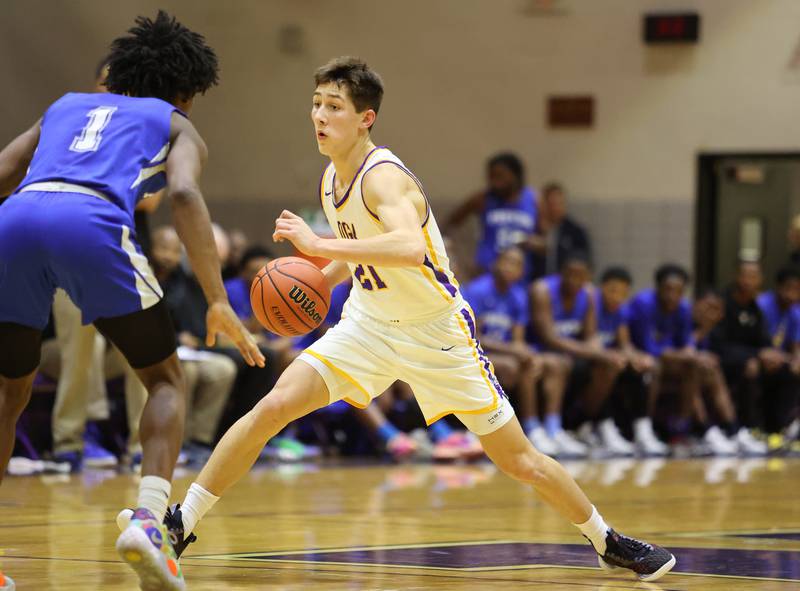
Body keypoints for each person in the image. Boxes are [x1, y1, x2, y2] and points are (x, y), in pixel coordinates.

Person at [155, 57, 675, 582]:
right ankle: (182, 520)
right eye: (316, 104)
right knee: (274, 408)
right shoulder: (331, 177)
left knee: (521, 462)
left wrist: (314, 244)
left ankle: (606, 539)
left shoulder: (384, 177)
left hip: (437, 333)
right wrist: (317, 279)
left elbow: (408, 247)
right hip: (368, 324)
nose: (320, 115)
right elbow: (360, 252)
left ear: (366, 118)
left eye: (334, 106)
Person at [0, 11, 264, 591]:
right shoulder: (175, 123)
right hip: (90, 221)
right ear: (189, 91)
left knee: (9, 392)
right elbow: (186, 194)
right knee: (167, 379)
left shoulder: (64, 105)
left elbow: (3, 171)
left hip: (16, 218)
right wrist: (217, 298)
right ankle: (148, 521)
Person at [628, 265, 739, 455]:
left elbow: (687, 344)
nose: (672, 295)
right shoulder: (643, 303)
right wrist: (691, 355)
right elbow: (650, 349)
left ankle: (682, 431)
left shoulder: (683, 308)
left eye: (678, 291)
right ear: (658, 288)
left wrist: (694, 355)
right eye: (668, 289)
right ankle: (644, 431)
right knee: (657, 366)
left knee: (699, 368)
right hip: (639, 360)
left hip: (670, 363)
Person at [529, 254, 631, 456]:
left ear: (588, 277)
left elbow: (590, 336)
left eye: (581, 277)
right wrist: (599, 353)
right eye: (570, 275)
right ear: (561, 274)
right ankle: (552, 429)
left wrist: (604, 354)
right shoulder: (542, 290)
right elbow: (550, 338)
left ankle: (583, 425)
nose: (574, 281)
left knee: (610, 366)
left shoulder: (590, 294)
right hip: (541, 352)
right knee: (559, 364)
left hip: (572, 354)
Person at [594, 267, 668, 456]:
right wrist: (617, 356)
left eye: (622, 293)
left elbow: (625, 344)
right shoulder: (591, 305)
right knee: (608, 368)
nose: (617, 297)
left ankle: (642, 430)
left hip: (610, 359)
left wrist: (637, 357)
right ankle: (605, 429)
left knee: (640, 369)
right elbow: (590, 344)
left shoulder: (620, 311)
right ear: (601, 288)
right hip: (589, 362)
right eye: (612, 290)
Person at [444, 152, 538, 279]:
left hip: (521, 273)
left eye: (500, 176)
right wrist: (461, 256)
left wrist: (534, 242)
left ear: (515, 175)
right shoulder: (482, 199)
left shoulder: (534, 199)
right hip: (487, 271)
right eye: (491, 176)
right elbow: (450, 224)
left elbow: (548, 239)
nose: (494, 182)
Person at [757, 266, 800, 435]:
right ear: (778, 286)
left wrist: (797, 361)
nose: (793, 293)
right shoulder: (761, 305)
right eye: (790, 287)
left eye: (798, 289)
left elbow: (796, 347)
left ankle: (787, 427)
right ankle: (757, 427)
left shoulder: (795, 312)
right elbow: (753, 340)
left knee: (794, 371)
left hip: (781, 361)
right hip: (759, 356)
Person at [532, 182, 592, 278]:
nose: (556, 208)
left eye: (560, 203)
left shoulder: (576, 231)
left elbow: (585, 262)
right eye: (552, 204)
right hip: (537, 283)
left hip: (565, 285)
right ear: (543, 205)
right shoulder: (533, 229)